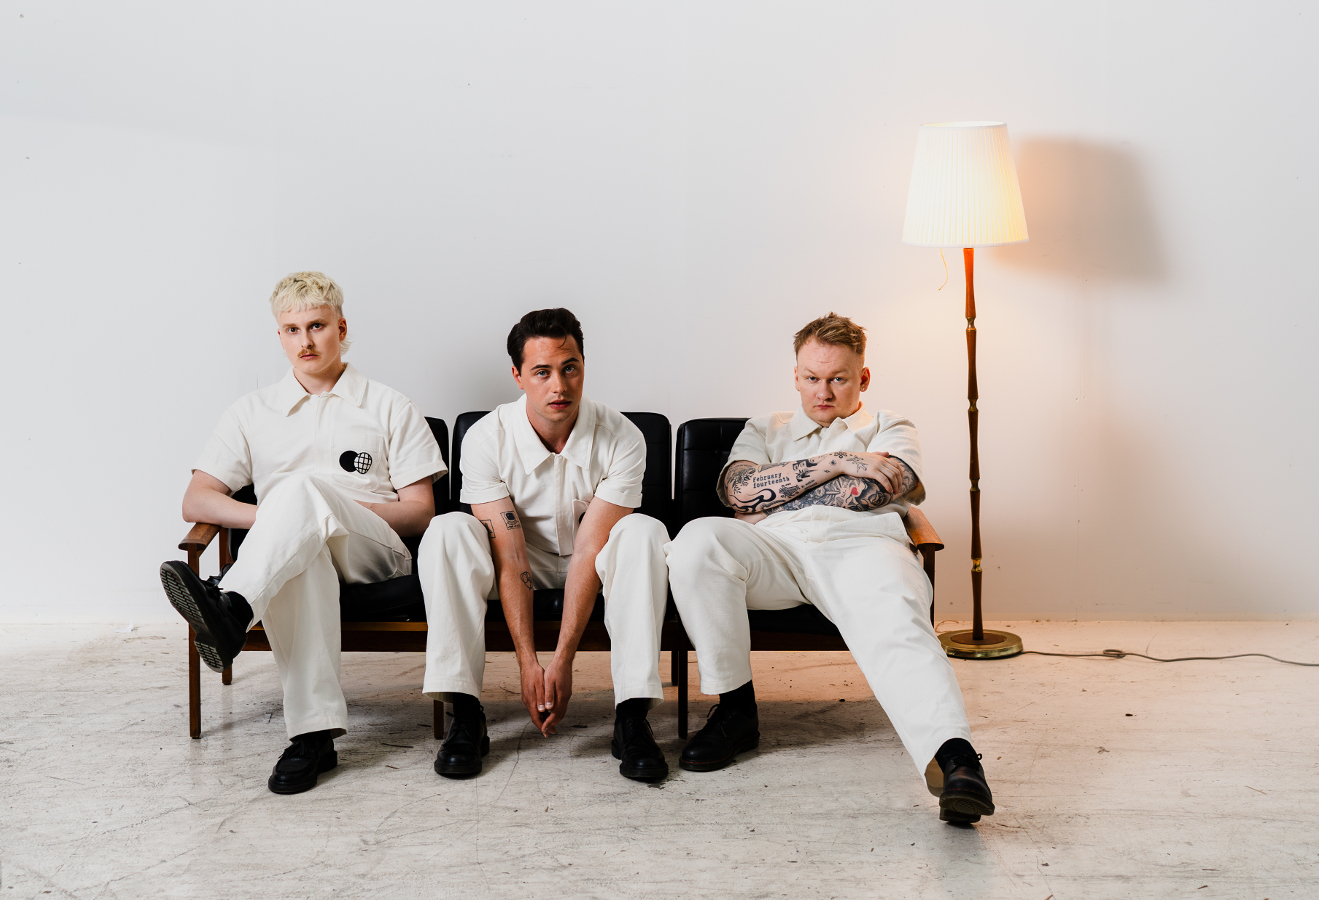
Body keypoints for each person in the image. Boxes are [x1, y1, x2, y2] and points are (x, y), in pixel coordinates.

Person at [664, 312, 995, 824]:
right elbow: (737, 492)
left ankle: (955, 760)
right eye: (812, 378)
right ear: (796, 376)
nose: (823, 392)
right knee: (697, 540)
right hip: (774, 549)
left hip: (863, 545)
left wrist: (775, 492)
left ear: (863, 377)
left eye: (838, 379)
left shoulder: (890, 426)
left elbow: (878, 491)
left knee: (898, 618)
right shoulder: (764, 428)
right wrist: (840, 462)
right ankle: (735, 710)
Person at [158, 272, 446, 795]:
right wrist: (284, 519)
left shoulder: (389, 405)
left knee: (302, 491)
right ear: (279, 336)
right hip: (292, 555)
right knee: (301, 549)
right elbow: (196, 500)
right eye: (292, 329)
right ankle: (313, 737)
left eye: (317, 326)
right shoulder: (251, 412)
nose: (305, 341)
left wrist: (324, 506)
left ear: (341, 328)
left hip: (374, 550)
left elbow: (421, 512)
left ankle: (233, 607)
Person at [419, 308, 672, 782]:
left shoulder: (623, 437)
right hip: (515, 561)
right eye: (541, 372)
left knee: (644, 532)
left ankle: (632, 717)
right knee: (448, 529)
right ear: (518, 376)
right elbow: (510, 552)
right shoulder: (485, 438)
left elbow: (591, 549)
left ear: (583, 366)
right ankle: (466, 715)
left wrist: (563, 660)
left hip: (595, 562)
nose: (559, 386)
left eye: (569, 368)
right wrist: (528, 664)